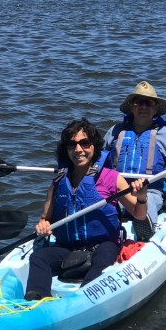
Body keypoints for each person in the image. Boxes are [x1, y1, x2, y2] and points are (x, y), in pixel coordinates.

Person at [24, 118, 148, 301]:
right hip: (68, 246)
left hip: (104, 244)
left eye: (84, 143)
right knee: (38, 258)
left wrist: (142, 197)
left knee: (102, 261)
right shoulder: (59, 181)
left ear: (94, 147)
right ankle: (36, 299)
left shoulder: (112, 178)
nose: (78, 150)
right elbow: (45, 219)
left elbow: (139, 214)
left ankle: (83, 299)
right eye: (72, 144)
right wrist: (43, 225)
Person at [103, 80, 166, 234]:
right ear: (131, 107)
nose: (143, 107)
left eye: (148, 103)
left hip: (151, 191)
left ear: (155, 109)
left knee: (147, 206)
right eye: (139, 102)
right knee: (102, 209)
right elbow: (98, 160)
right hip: (118, 190)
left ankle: (144, 232)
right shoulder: (115, 131)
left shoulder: (165, 135)